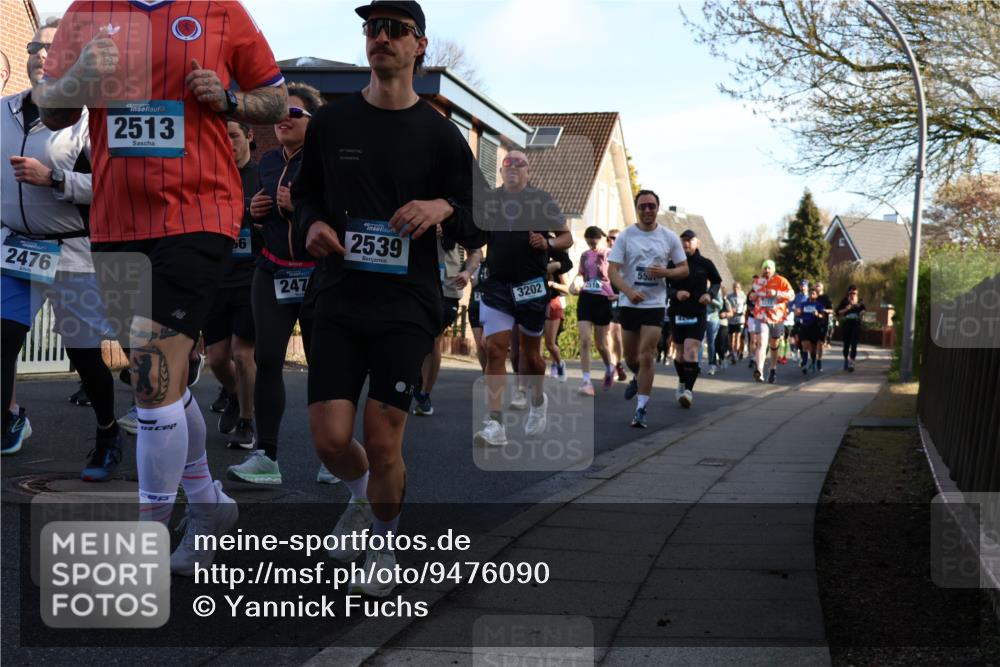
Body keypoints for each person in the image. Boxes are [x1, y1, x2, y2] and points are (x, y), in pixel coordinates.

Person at [36, 0, 289, 575]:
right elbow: (51, 110)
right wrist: (79, 77)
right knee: (158, 379)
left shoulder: (220, 10)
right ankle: (208, 505)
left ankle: (147, 538)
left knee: (150, 376)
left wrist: (229, 101)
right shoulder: (85, 11)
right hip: (117, 221)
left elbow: (274, 98)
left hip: (198, 213)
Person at [295, 0, 488, 597]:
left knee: (382, 439)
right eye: (371, 28)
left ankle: (384, 546)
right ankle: (361, 498)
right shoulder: (331, 123)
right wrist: (311, 224)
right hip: (338, 295)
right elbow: (306, 196)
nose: (380, 37)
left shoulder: (440, 135)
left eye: (395, 29)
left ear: (419, 44)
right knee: (330, 439)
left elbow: (483, 217)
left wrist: (443, 207)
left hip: (405, 304)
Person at [1, 17, 122, 479]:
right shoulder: (3, 111)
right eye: (34, 47)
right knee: (3, 339)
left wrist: (54, 178)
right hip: (14, 248)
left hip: (70, 251)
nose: (39, 55)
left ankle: (108, 434)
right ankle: (10, 418)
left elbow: (114, 186)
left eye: (51, 48)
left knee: (84, 353)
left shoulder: (91, 119)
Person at [222, 83, 322, 485]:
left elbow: (341, 214)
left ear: (313, 121)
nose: (284, 119)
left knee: (324, 367)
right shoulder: (267, 162)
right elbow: (263, 222)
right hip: (273, 271)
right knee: (266, 360)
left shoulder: (326, 163)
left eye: (294, 113)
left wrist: (299, 207)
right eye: (280, 113)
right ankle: (266, 455)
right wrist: (258, 213)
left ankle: (334, 453)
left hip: (317, 274)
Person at [473, 150, 571, 446]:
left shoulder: (541, 200)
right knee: (495, 349)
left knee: (530, 357)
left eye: (520, 163)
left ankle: (538, 401)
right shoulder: (490, 200)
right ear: (501, 171)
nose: (513, 166)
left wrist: (548, 242)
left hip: (531, 286)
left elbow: (567, 237)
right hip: (498, 284)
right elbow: (474, 234)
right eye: (508, 163)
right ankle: (495, 424)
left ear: (529, 171)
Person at [609, 190, 689, 425]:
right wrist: (628, 291)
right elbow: (612, 271)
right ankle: (637, 377)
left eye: (651, 206)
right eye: (642, 206)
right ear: (637, 209)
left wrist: (666, 272)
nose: (647, 210)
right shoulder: (626, 236)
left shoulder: (669, 237)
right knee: (631, 357)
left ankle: (641, 409)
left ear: (657, 208)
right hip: (629, 303)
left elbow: (684, 269)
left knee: (647, 355)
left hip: (654, 304)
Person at [205, 121, 259, 449]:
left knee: (242, 353)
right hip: (217, 277)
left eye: (234, 135)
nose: (228, 142)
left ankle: (247, 421)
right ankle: (235, 394)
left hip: (251, 275)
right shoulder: (209, 176)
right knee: (216, 358)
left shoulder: (262, 176)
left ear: (249, 137)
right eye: (221, 137)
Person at [412, 227, 470, 415]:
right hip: (417, 281)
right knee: (413, 335)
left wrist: (467, 271)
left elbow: (476, 251)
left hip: (447, 288)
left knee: (434, 338)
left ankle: (424, 394)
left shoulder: (458, 215)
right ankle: (415, 376)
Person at [666, 229, 721, 408]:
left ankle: (688, 391)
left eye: (689, 240)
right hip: (677, 312)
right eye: (683, 240)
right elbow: (663, 286)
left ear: (698, 243)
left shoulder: (705, 263)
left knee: (691, 350)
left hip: (697, 313)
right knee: (680, 352)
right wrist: (675, 293)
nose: (685, 243)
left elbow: (716, 281)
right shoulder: (673, 263)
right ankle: (682, 382)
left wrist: (709, 295)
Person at [569, 226, 616, 396]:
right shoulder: (585, 255)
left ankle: (609, 368)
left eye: (595, 240)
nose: (592, 243)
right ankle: (586, 381)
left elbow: (617, 275)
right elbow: (581, 274)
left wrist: (618, 294)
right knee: (585, 340)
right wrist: (574, 284)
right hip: (586, 297)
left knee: (601, 343)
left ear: (602, 238)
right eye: (589, 241)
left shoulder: (610, 254)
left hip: (603, 299)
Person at [751, 260, 795, 383]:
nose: (767, 270)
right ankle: (759, 371)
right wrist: (752, 297)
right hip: (762, 316)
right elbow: (752, 295)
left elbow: (792, 295)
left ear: (773, 269)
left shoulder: (781, 280)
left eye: (769, 268)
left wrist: (776, 293)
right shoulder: (758, 282)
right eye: (765, 268)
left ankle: (772, 369)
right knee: (761, 342)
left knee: (774, 345)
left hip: (777, 317)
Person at [606, 228, 628, 382]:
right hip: (606, 300)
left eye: (615, 238)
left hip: (621, 300)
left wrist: (620, 296)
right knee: (608, 333)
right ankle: (612, 365)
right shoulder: (602, 257)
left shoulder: (627, 259)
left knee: (617, 335)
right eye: (610, 238)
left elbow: (633, 284)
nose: (612, 241)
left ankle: (618, 363)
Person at [544, 272, 568, 383]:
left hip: (553, 304)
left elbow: (567, 289)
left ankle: (559, 364)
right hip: (534, 304)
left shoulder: (559, 267)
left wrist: (553, 284)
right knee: (532, 345)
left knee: (550, 343)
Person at [796, 286, 825, 374]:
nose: (811, 295)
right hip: (805, 326)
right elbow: (799, 314)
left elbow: (823, 316)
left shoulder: (819, 305)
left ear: (816, 295)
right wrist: (799, 313)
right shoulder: (804, 304)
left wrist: (817, 314)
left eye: (813, 293)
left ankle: (813, 362)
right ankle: (804, 363)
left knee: (813, 348)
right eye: (810, 293)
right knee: (805, 345)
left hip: (814, 327)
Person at [466, 250, 487, 372]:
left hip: (490, 307)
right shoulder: (470, 266)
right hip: (475, 307)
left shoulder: (490, 265)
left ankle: (492, 369)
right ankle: (485, 371)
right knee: (479, 344)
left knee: (486, 343)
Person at [836, 286, 866, 372]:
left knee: (854, 344)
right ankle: (846, 358)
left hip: (856, 324)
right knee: (846, 344)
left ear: (857, 293)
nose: (852, 295)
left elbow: (864, 309)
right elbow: (837, 312)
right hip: (847, 324)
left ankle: (851, 362)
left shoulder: (860, 301)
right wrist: (846, 309)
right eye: (851, 293)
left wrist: (862, 312)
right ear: (848, 293)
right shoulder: (845, 301)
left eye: (854, 293)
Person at [790, 279, 810, 366]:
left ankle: (805, 359)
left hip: (806, 321)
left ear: (807, 287)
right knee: (795, 339)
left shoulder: (810, 297)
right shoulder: (796, 296)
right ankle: (798, 354)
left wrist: (803, 311)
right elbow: (789, 305)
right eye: (801, 286)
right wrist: (794, 310)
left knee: (804, 341)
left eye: (804, 286)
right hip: (797, 321)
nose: (803, 287)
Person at [814, 280, 834, 370]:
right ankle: (812, 359)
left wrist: (825, 310)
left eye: (819, 286)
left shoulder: (826, 298)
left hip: (822, 322)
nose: (817, 287)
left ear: (822, 287)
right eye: (816, 286)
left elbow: (832, 310)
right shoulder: (812, 297)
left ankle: (819, 361)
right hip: (812, 322)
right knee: (812, 344)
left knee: (820, 343)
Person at [727, 281, 746, 363]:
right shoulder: (729, 296)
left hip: (740, 319)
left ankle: (735, 354)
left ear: (740, 288)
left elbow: (745, 305)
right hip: (731, 319)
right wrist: (730, 310)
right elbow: (726, 305)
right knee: (731, 338)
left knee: (738, 336)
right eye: (734, 287)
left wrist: (744, 310)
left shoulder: (743, 296)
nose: (736, 289)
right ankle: (731, 351)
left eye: (737, 287)